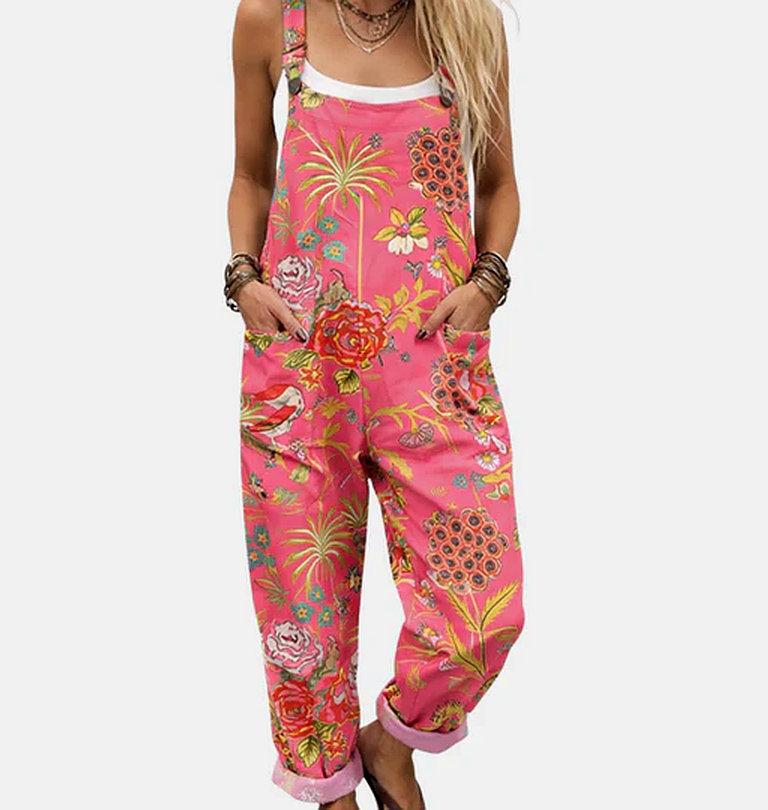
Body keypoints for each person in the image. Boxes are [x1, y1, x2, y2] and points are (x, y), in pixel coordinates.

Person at [225, 1, 524, 807]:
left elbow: (499, 185)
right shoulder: (272, 19)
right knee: (304, 625)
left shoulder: (469, 24)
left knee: (482, 613)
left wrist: (487, 286)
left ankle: (390, 743)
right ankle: (331, 792)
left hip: (434, 369)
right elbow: (251, 173)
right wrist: (243, 279)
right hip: (299, 368)